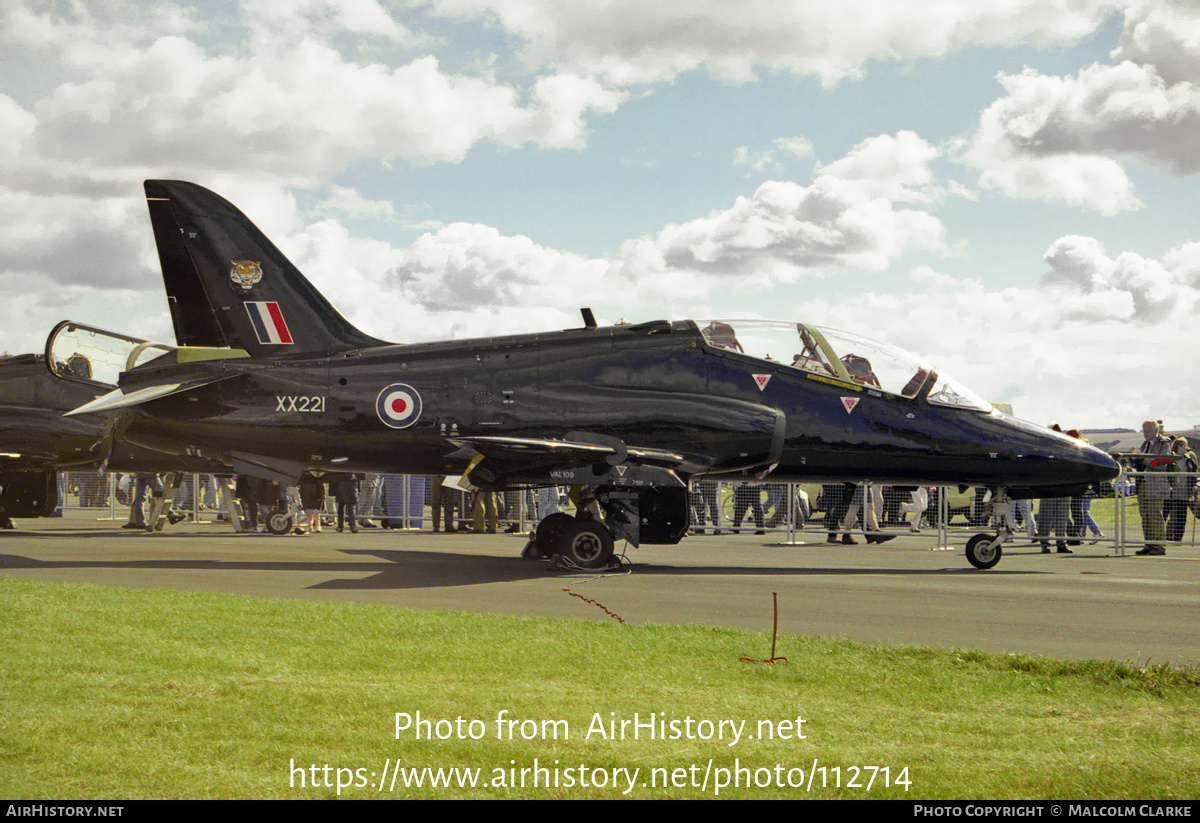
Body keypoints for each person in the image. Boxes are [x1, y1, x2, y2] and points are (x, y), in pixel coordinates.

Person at [1133, 420, 1172, 555]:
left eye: (1148, 431)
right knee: (1145, 515)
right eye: (1144, 431)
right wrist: (1136, 460)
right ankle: (1149, 543)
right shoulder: (1145, 444)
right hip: (1143, 483)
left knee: (1155, 514)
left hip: (1156, 484)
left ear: (1156, 431)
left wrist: (1144, 459)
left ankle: (1159, 545)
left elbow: (1162, 462)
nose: (1145, 434)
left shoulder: (1164, 443)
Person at [1166, 437, 1197, 542]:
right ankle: (1161, 535)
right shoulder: (1169, 458)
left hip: (1184, 492)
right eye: (1184, 446)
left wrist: (1193, 485)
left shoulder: (1189, 460)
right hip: (1170, 492)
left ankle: (1178, 538)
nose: (1186, 448)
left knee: (1181, 516)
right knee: (1165, 513)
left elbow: (1193, 474)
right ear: (1178, 447)